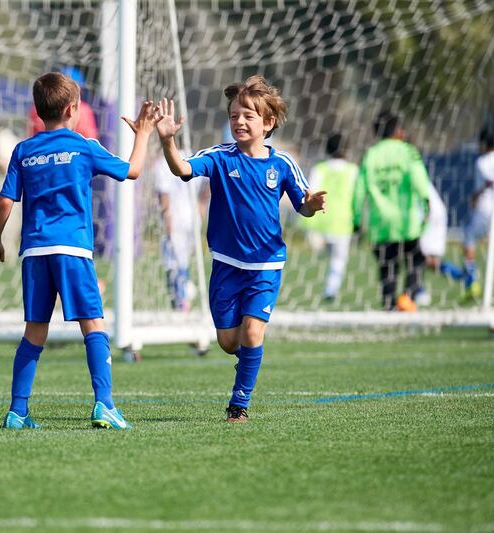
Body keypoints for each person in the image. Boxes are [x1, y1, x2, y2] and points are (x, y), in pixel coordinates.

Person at [0, 72, 159, 430]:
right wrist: (141, 134)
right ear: (72, 108)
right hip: (72, 249)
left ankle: (17, 411)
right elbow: (133, 170)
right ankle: (104, 405)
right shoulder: (84, 145)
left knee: (34, 331)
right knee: (93, 324)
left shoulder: (23, 150)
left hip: (34, 252)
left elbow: (5, 201)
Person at [154, 76, 326, 423]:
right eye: (234, 116)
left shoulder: (283, 164)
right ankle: (244, 357)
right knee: (229, 342)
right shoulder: (219, 157)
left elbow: (302, 206)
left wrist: (310, 204)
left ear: (268, 122)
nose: (240, 122)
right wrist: (168, 142)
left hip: (266, 265)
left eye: (248, 115)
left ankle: (239, 404)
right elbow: (183, 168)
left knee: (252, 333)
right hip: (227, 265)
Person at [353, 111, 431, 312]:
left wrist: (357, 219)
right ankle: (407, 297)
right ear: (397, 130)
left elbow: (359, 190)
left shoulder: (371, 154)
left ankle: (389, 306)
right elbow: (419, 179)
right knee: (416, 260)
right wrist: (426, 203)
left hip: (381, 223)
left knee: (387, 267)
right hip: (407, 221)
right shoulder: (408, 151)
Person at [301, 133, 358, 301]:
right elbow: (357, 196)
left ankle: (319, 256)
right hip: (342, 223)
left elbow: (309, 192)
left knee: (321, 255)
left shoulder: (320, 168)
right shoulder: (353, 170)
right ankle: (331, 290)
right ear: (346, 150)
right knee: (338, 260)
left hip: (319, 222)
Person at [153, 153, 206, 311]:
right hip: (193, 218)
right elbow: (208, 183)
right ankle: (183, 296)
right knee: (183, 260)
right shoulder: (194, 156)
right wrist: (202, 204)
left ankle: (180, 302)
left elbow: (164, 194)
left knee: (172, 262)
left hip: (175, 218)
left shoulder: (163, 162)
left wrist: (167, 217)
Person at [459, 128, 494, 300]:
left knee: (469, 238)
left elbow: (489, 182)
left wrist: (475, 196)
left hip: (486, 208)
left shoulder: (482, 162)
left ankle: (472, 282)